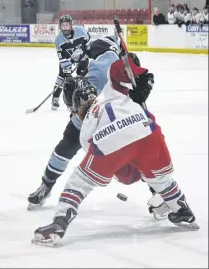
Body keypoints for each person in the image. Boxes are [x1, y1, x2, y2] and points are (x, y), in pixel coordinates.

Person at [32, 57, 198, 246]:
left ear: (73, 108)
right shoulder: (113, 88)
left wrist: (125, 169)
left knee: (80, 181)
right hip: (149, 130)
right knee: (161, 179)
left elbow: (102, 158)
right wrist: (145, 78)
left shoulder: (84, 125)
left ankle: (59, 222)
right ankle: (182, 209)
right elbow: (124, 64)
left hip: (113, 138)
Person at [27, 34, 155, 210]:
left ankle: (157, 190)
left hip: (114, 112)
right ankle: (46, 185)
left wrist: (138, 80)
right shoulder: (93, 72)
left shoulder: (116, 72)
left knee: (136, 148)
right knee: (67, 145)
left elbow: (138, 75)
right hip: (91, 104)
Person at [51, 15, 92, 110]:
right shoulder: (58, 40)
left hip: (82, 58)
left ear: (71, 25)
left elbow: (88, 41)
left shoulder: (81, 31)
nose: (65, 28)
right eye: (63, 25)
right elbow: (62, 59)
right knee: (62, 77)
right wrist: (68, 67)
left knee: (82, 78)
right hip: (68, 60)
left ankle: (80, 99)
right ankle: (55, 98)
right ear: (60, 26)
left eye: (67, 25)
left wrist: (87, 52)